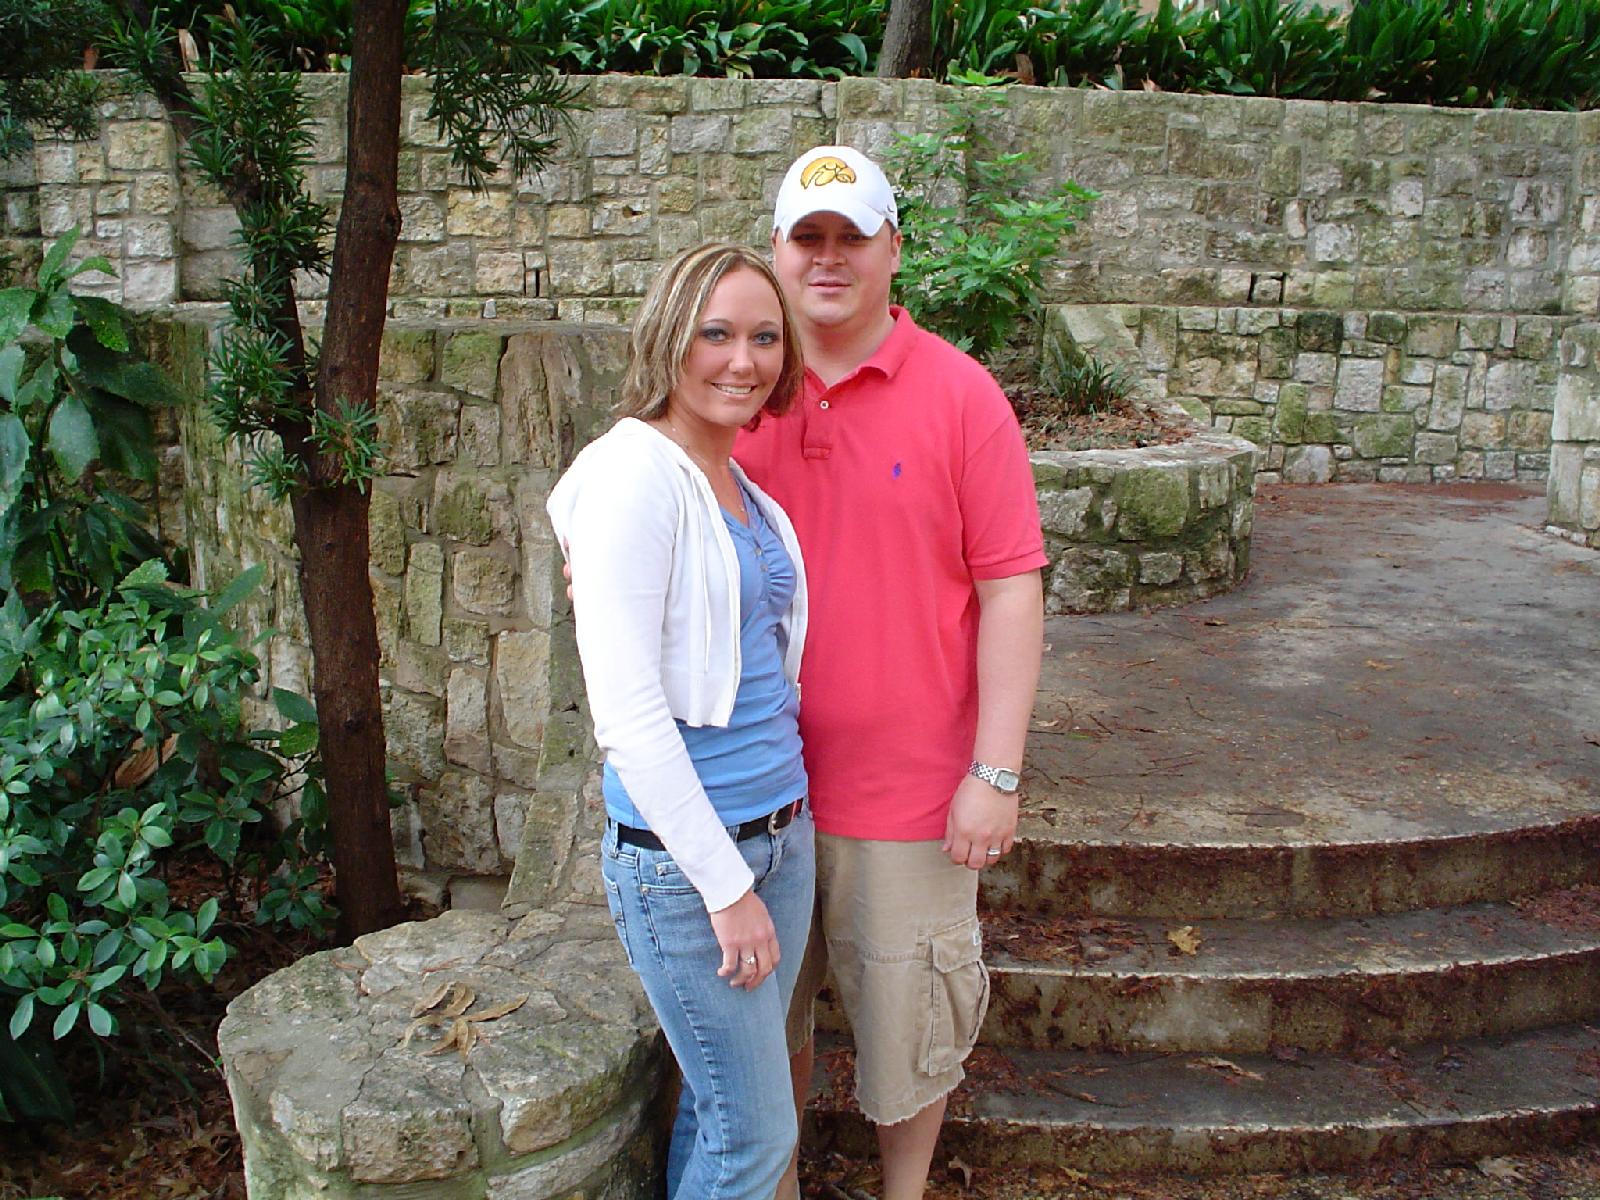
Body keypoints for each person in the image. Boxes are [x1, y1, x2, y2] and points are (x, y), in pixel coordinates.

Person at [734, 146, 1047, 1200]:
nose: (828, 258)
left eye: (851, 237)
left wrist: (994, 773)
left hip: (908, 796)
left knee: (911, 1031)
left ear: (893, 251)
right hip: (754, 788)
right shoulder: (733, 388)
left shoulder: (961, 396)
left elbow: (1010, 590)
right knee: (762, 1027)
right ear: (776, 251)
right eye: (807, 237)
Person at [546, 242, 816, 1200]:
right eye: (717, 334)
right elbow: (628, 718)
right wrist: (725, 887)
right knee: (756, 1136)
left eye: (765, 338)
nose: (743, 361)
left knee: (721, 1108)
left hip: (780, 833)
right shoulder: (634, 474)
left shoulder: (736, 482)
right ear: (669, 336)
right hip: (690, 864)